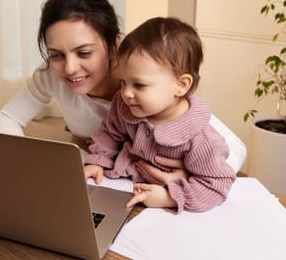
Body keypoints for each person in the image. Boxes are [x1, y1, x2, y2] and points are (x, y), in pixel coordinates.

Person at [0, 0, 246, 183]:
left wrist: (191, 174)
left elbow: (235, 149)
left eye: (84, 53)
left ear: (115, 44)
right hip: (107, 180)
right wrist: (22, 160)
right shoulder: (51, 74)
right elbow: (6, 119)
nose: (69, 68)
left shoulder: (147, 81)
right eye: (56, 54)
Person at [83, 17, 236, 213]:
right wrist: (97, 161)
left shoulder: (201, 139)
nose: (126, 93)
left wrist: (169, 197)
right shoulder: (125, 106)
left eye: (139, 85)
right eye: (123, 82)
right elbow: (109, 133)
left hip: (168, 211)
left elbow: (216, 185)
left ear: (180, 85)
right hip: (123, 189)